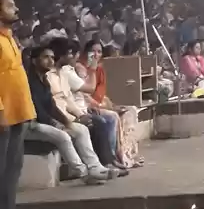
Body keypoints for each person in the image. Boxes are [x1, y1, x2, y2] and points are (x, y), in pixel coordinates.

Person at [24, 44, 111, 184]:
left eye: (52, 57)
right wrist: (56, 124)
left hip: (46, 122)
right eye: (45, 57)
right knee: (63, 136)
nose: (50, 61)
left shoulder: (44, 80)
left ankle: (96, 168)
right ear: (34, 61)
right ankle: (82, 173)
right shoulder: (28, 82)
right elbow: (37, 109)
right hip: (31, 125)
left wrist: (66, 122)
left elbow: (51, 106)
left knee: (81, 130)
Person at [77, 39, 142, 168]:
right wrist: (101, 106)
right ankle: (112, 157)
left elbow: (101, 94)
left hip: (98, 104)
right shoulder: (80, 68)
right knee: (113, 117)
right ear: (85, 53)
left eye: (99, 51)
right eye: (93, 51)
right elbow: (84, 94)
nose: (96, 55)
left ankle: (126, 155)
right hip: (86, 106)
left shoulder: (99, 69)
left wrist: (112, 105)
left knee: (130, 111)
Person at [0, 0, 36, 209]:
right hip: (4, 114)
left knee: (14, 164)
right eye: (10, 6)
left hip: (20, 110)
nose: (16, 10)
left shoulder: (10, 37)